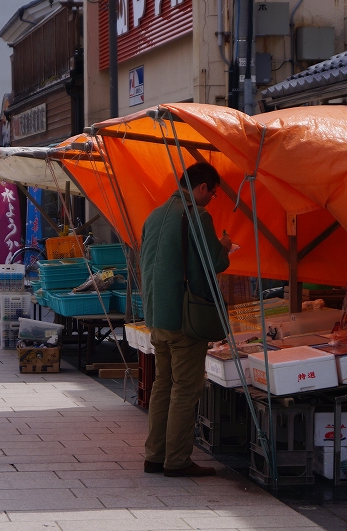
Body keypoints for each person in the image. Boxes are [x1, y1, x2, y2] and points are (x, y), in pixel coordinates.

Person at [140, 162, 231, 478]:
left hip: (156, 316)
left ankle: (155, 455)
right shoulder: (197, 215)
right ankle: (177, 460)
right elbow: (215, 262)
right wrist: (227, 246)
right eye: (213, 193)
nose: (211, 199)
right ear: (203, 187)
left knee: (162, 384)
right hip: (184, 318)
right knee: (185, 388)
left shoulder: (154, 216)